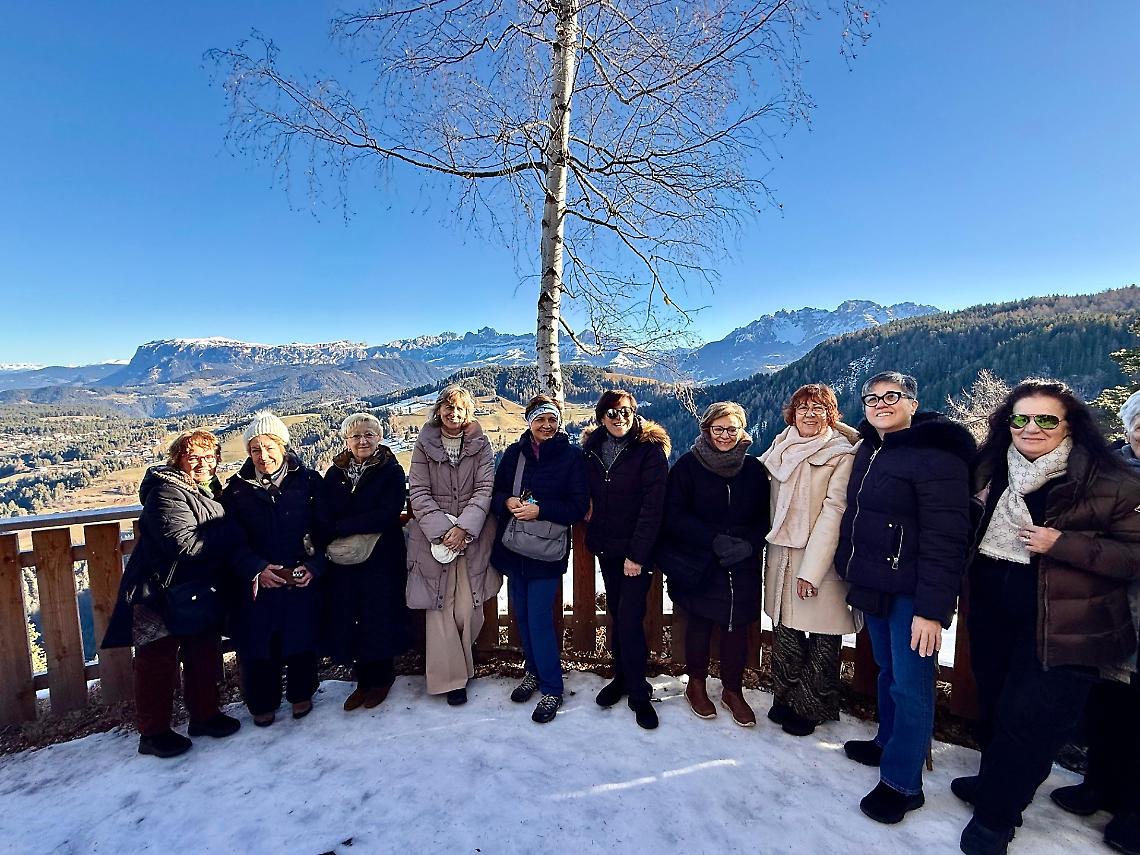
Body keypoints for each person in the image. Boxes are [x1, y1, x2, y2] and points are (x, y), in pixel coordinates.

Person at [952, 380, 1140, 855]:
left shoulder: (1109, 479)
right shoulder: (993, 469)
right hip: (995, 613)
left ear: (1070, 424)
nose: (1031, 427)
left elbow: (1134, 555)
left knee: (1032, 721)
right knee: (996, 706)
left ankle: (997, 817)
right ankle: (995, 782)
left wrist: (1063, 545)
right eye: (1020, 418)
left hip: (1067, 623)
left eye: (1046, 419)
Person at [834, 371, 974, 825]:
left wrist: (932, 611)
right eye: (871, 398)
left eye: (892, 397)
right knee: (889, 672)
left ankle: (902, 784)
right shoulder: (872, 449)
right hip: (876, 582)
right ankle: (885, 744)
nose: (881, 404)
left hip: (913, 593)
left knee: (911, 685)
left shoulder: (936, 455)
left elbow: (947, 537)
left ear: (913, 403)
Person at [103, 430, 242, 757]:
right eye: (193, 457)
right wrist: (235, 532)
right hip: (158, 589)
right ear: (178, 459)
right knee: (157, 659)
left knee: (202, 652)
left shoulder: (208, 488)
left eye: (209, 457)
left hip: (197, 588)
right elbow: (185, 544)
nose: (203, 463)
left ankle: (205, 715)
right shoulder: (166, 492)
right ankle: (153, 733)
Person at [658, 401, 769, 727]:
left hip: (743, 563)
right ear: (706, 431)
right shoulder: (688, 466)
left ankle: (732, 689)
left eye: (731, 429)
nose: (724, 435)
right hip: (700, 561)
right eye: (717, 429)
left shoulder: (753, 470)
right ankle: (696, 684)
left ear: (742, 430)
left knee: (736, 627)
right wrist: (713, 539)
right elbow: (674, 515)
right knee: (700, 624)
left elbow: (766, 515)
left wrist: (750, 543)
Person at [759, 383, 860, 737]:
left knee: (822, 634)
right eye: (803, 408)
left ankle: (813, 704)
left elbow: (835, 513)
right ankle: (786, 695)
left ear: (830, 414)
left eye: (819, 408)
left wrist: (812, 572)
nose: (810, 415)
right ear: (793, 412)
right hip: (782, 554)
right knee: (785, 626)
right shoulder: (781, 446)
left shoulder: (841, 454)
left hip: (820, 556)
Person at [223, 411, 329, 727]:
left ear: (283, 446)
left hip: (299, 575)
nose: (263, 455)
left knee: (301, 636)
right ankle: (262, 703)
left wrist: (315, 565)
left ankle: (301, 694)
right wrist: (255, 568)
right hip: (259, 580)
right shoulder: (237, 490)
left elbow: (326, 530)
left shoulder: (309, 482)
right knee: (259, 644)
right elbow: (230, 541)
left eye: (269, 447)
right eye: (255, 449)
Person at [490, 395, 589, 724]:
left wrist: (540, 509)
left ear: (559, 422)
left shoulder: (571, 458)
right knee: (522, 616)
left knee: (539, 619)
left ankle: (552, 687)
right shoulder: (514, 455)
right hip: (516, 549)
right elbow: (497, 493)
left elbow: (577, 507)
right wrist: (507, 503)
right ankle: (533, 673)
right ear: (528, 421)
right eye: (540, 419)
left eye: (552, 419)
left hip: (546, 554)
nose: (546, 425)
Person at [582, 389, 671, 730]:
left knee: (631, 618)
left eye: (624, 412)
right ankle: (621, 677)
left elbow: (653, 507)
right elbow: (583, 487)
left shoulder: (649, 451)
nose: (618, 418)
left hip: (636, 551)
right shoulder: (592, 449)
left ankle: (638, 691)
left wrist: (637, 555)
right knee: (618, 614)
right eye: (611, 413)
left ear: (634, 413)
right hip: (607, 546)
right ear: (600, 418)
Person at [406, 386, 499, 706]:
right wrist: (445, 530)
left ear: (468, 412)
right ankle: (451, 680)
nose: (453, 414)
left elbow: (486, 488)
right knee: (440, 608)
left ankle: (462, 667)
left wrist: (465, 528)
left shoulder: (480, 442)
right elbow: (417, 491)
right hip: (435, 540)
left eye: (459, 408)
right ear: (438, 411)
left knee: (467, 609)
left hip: (471, 539)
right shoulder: (424, 442)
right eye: (447, 408)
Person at [324, 412, 409, 711]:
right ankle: (362, 680)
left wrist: (342, 525)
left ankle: (382, 679)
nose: (362, 440)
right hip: (345, 559)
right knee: (352, 615)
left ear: (379, 438)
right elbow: (324, 509)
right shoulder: (335, 473)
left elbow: (387, 513)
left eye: (369, 435)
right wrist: (338, 525)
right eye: (356, 435)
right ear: (346, 440)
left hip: (381, 556)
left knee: (378, 615)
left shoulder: (391, 470)